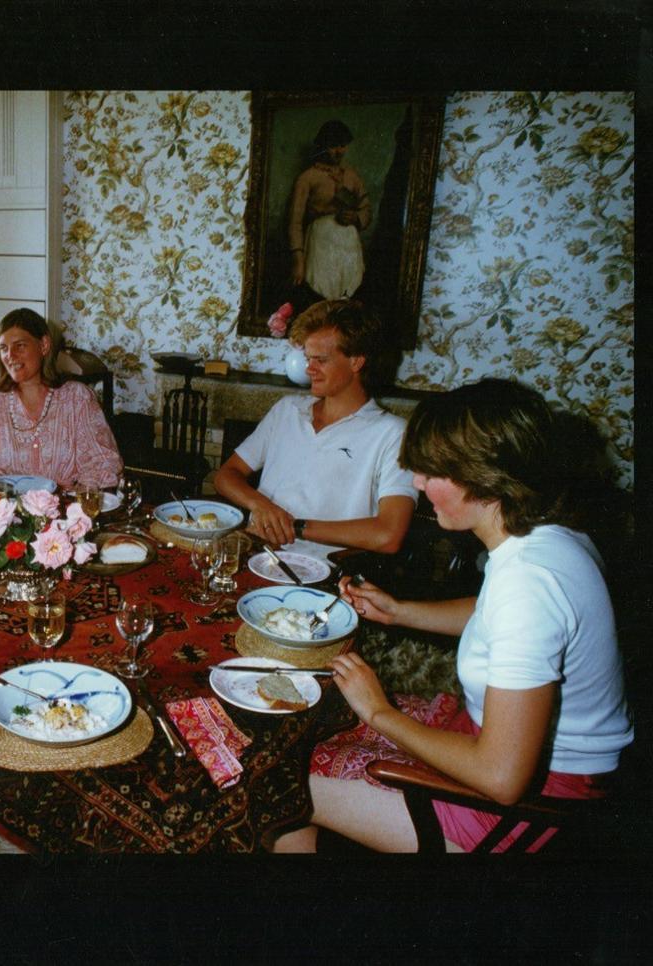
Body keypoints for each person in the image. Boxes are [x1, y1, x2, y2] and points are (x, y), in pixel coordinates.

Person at [274, 379, 633, 852]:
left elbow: (501, 778)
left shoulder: (528, 584)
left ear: (485, 476)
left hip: (522, 804)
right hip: (511, 744)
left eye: (430, 472)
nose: (418, 485)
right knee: (312, 732)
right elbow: (494, 617)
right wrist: (400, 612)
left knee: (277, 785)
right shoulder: (549, 537)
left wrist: (379, 711)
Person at [213, 299, 415, 554]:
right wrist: (260, 506)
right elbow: (225, 475)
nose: (309, 369)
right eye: (308, 358)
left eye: (320, 360)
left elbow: (388, 535)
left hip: (325, 575)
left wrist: (294, 527)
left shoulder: (392, 433)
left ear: (356, 362)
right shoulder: (288, 410)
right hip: (256, 552)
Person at [0, 308, 122, 489]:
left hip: (61, 511)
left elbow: (101, 463)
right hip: (3, 511)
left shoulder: (77, 398)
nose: (10, 356)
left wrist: (83, 494)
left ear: (44, 345)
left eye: (20, 346)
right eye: (3, 348)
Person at [287, 119, 372, 303]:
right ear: (322, 146)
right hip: (321, 242)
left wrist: (356, 218)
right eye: (333, 146)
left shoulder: (352, 176)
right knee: (322, 295)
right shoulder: (307, 178)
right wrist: (298, 259)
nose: (339, 151)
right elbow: (295, 221)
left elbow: (365, 208)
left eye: (342, 145)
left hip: (348, 245)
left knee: (347, 295)